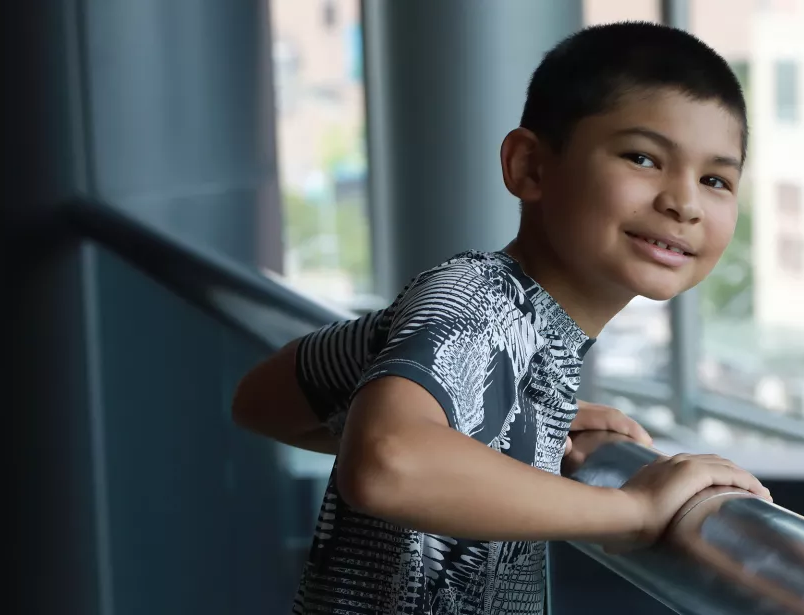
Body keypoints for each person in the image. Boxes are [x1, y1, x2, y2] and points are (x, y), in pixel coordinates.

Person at [232, 21, 770, 615]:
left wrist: (487, 416)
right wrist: (632, 512)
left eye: (715, 179)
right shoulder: (479, 298)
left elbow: (263, 398)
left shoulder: (504, 327)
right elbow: (387, 463)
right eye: (643, 158)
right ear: (529, 167)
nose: (684, 203)